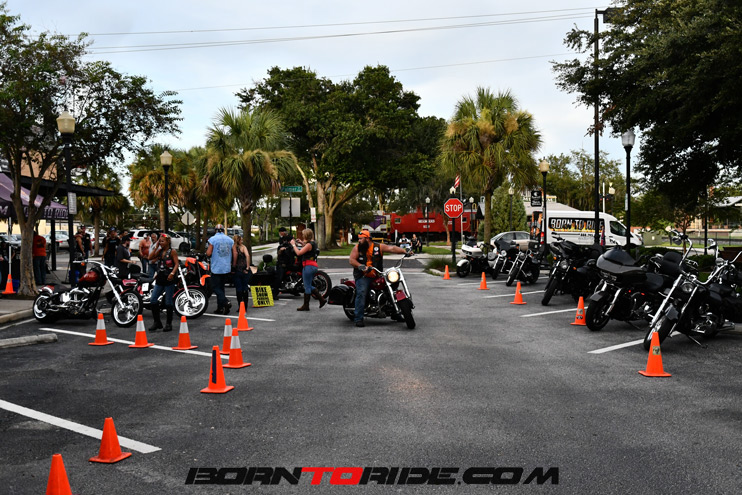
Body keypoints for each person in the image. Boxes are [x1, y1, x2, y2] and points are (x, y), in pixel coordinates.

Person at [349, 229, 409, 327]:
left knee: (392, 287)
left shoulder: (378, 247)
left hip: (378, 274)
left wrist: (404, 251)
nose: (359, 241)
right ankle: (358, 318)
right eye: (359, 239)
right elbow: (352, 260)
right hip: (363, 276)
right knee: (362, 292)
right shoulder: (357, 248)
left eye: (361, 239)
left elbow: (392, 249)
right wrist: (360, 266)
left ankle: (396, 312)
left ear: (367, 239)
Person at [147, 234, 179, 332]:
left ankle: (168, 324)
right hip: (160, 278)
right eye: (159, 241)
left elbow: (176, 264)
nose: (161, 243)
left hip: (169, 279)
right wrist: (156, 247)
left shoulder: (172, 251)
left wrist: (172, 273)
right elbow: (150, 257)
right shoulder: (160, 251)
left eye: (162, 241)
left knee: (168, 302)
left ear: (168, 242)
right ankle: (157, 322)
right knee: (153, 300)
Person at [290, 228, 325, 310]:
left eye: (303, 235)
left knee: (307, 286)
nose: (302, 236)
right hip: (313, 266)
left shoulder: (309, 245)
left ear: (305, 235)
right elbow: (308, 249)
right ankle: (321, 300)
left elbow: (299, 253)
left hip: (308, 266)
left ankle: (306, 305)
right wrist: (302, 243)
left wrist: (293, 245)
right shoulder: (313, 243)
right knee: (308, 285)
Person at [206, 224, 234, 314]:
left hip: (217, 267)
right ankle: (220, 307)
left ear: (215, 230)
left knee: (214, 287)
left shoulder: (212, 239)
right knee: (221, 287)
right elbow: (234, 252)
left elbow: (209, 253)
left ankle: (225, 302)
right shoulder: (230, 240)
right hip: (226, 267)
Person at [231, 234, 252, 312]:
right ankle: (245, 306)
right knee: (245, 287)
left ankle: (240, 306)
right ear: (239, 240)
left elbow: (234, 257)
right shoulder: (243, 247)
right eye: (241, 240)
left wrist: (233, 267)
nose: (242, 241)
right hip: (244, 269)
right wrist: (247, 267)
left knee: (239, 288)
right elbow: (247, 256)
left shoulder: (233, 247)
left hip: (237, 269)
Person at [275, 227, 294, 295]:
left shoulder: (290, 244)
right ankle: (275, 293)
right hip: (282, 263)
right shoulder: (281, 244)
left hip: (289, 262)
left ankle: (294, 290)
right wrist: (281, 249)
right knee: (279, 277)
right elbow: (279, 252)